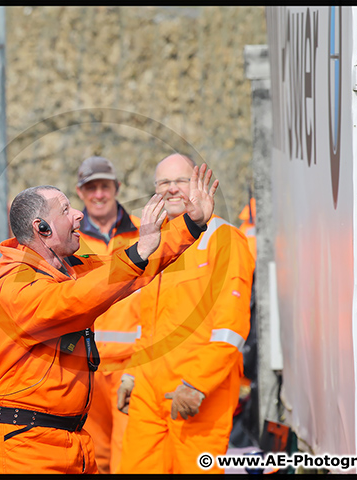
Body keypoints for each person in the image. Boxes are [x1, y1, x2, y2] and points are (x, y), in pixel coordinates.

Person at [0, 163, 219, 474]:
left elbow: (131, 264)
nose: (78, 215)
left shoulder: (67, 268)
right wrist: (139, 252)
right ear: (41, 228)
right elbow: (76, 299)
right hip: (25, 450)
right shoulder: (18, 285)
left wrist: (190, 224)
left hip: (62, 441)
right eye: (65, 210)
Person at [118, 154, 255, 474]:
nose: (172, 189)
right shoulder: (155, 243)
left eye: (181, 181)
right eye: (164, 182)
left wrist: (195, 384)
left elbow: (230, 328)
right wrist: (131, 372)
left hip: (199, 397)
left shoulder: (224, 240)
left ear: (197, 184)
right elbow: (148, 323)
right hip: (149, 395)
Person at [74, 156, 141, 474]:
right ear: (80, 193)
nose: (98, 194)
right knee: (93, 455)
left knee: (130, 456)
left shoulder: (144, 234)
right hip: (88, 369)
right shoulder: (69, 241)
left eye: (104, 186)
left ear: (116, 188)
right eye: (91, 188)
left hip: (133, 367)